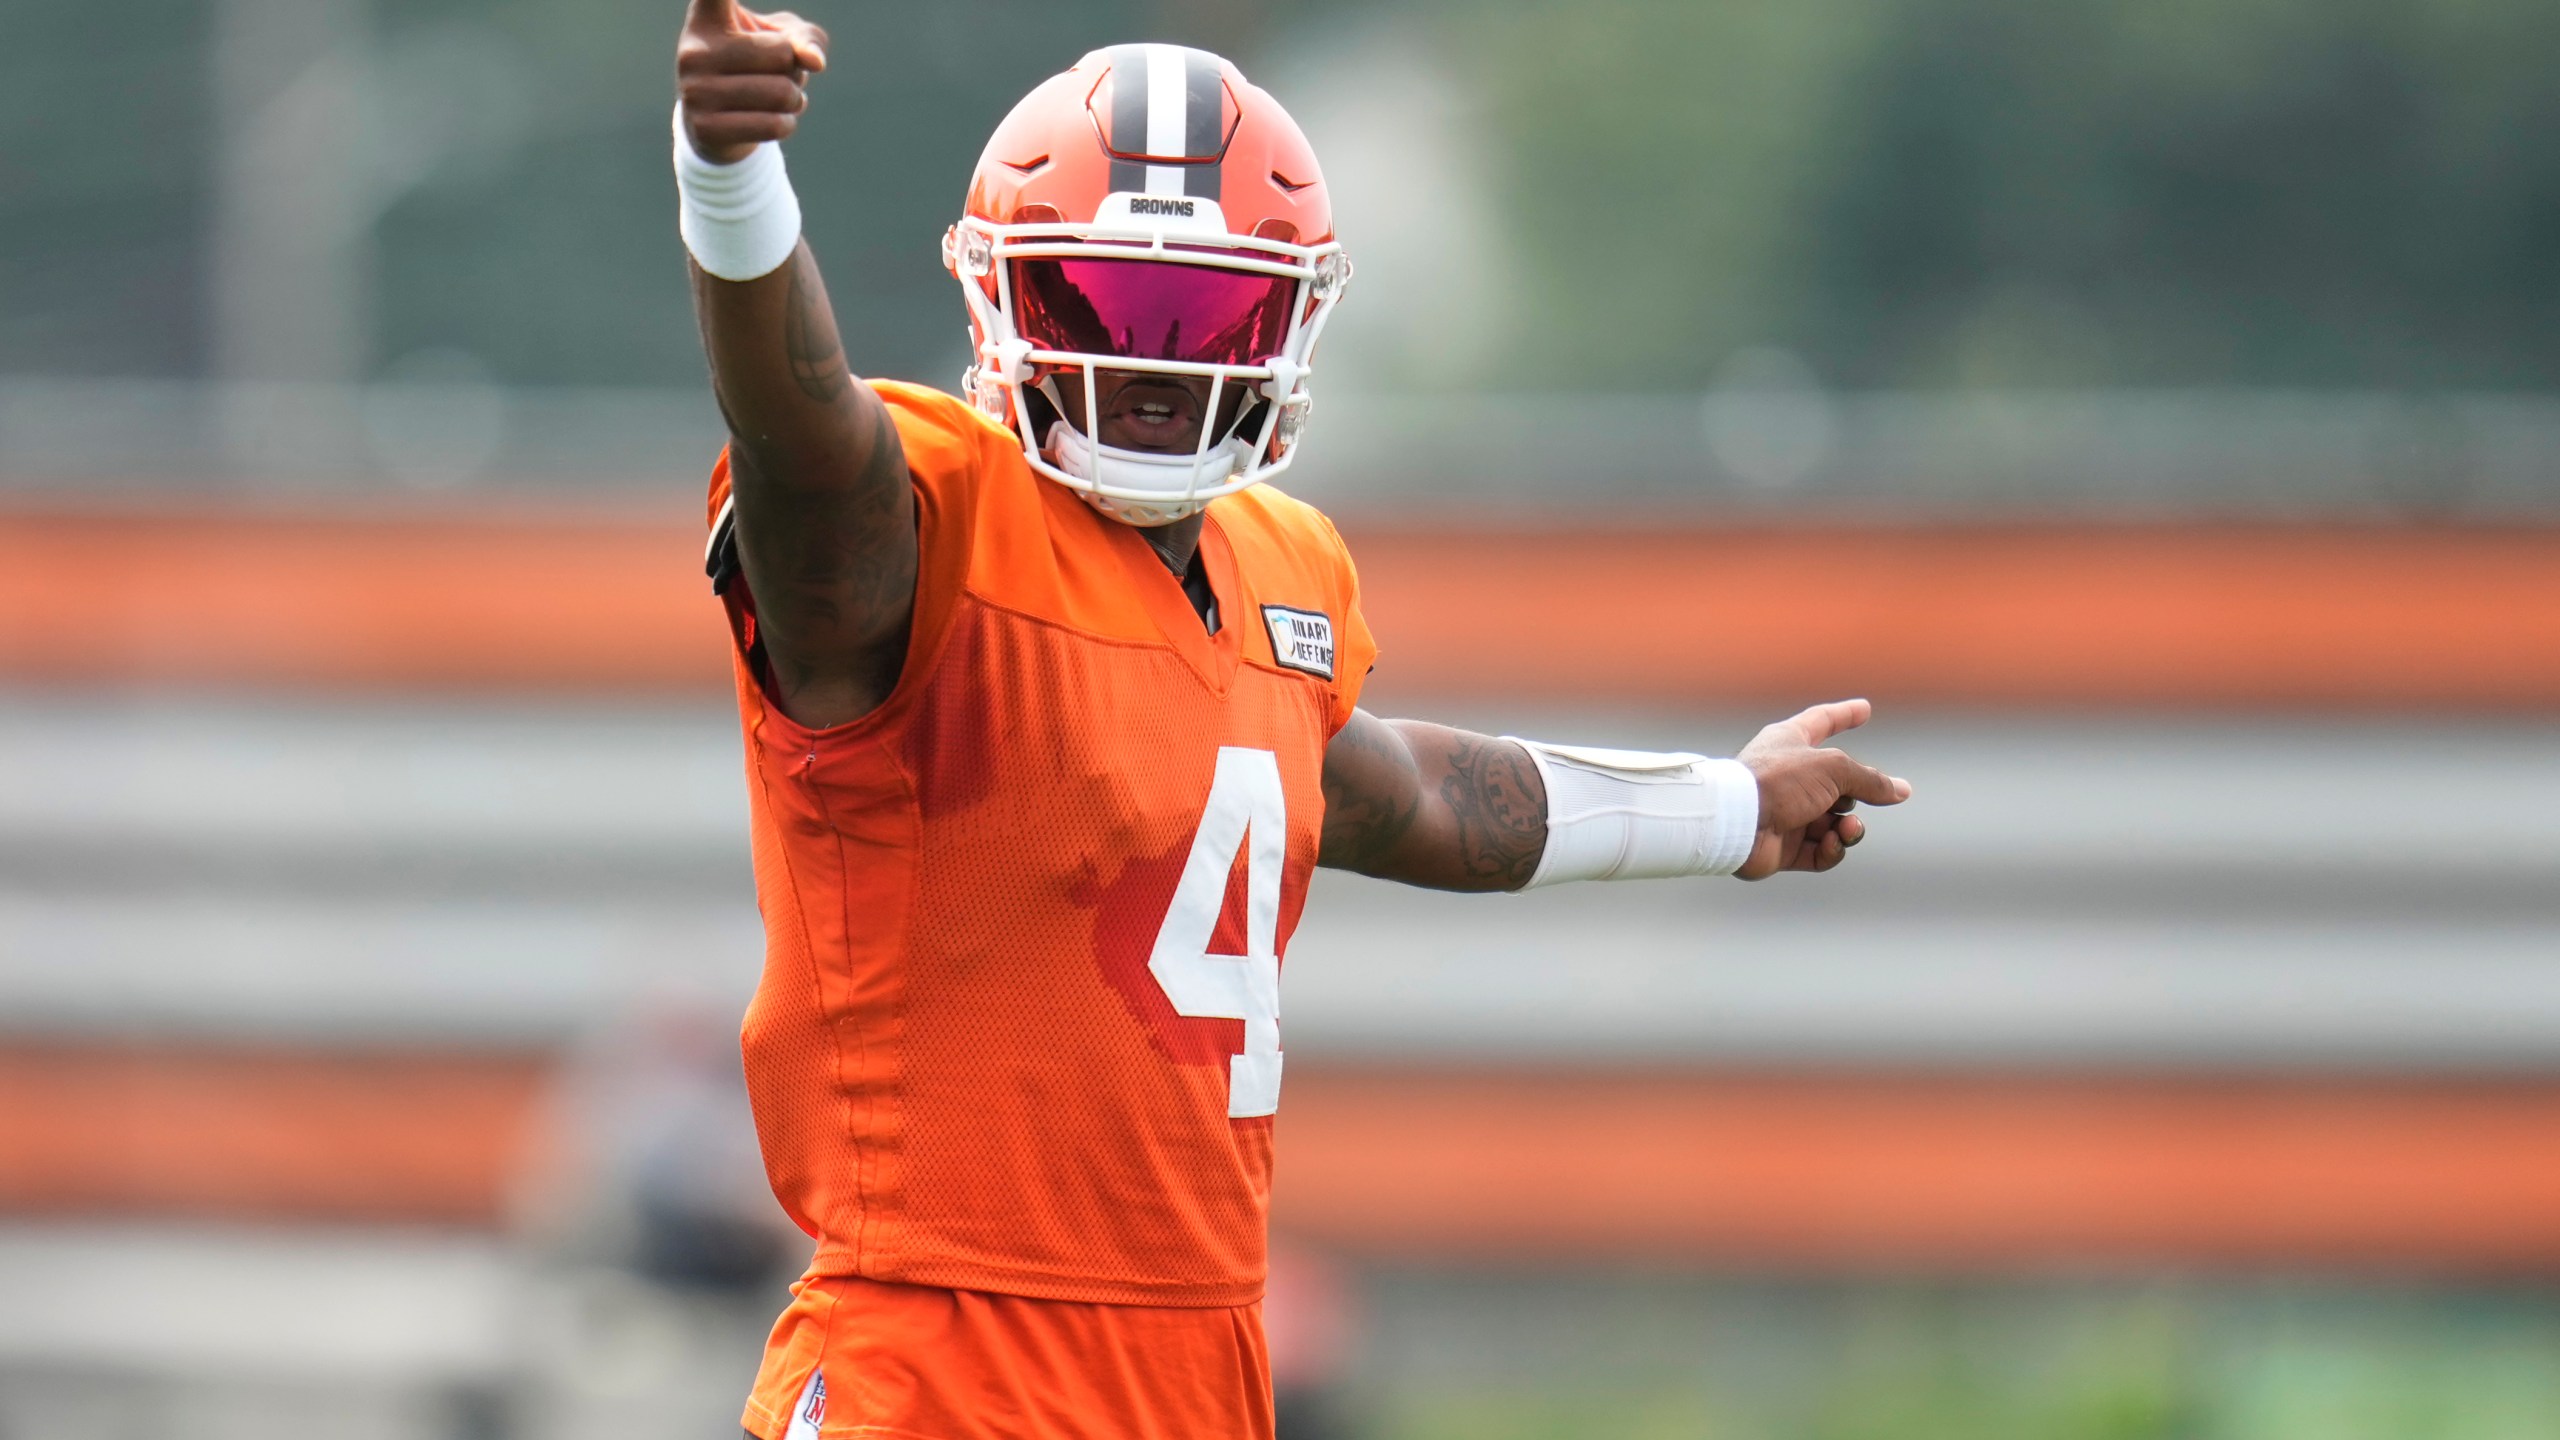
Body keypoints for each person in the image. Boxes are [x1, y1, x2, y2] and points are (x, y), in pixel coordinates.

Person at [671, 6, 1913, 1437]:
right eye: (1099, 303)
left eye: (1205, 315)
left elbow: (1410, 798)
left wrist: (1730, 806)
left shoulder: (1279, 573)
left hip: (1205, 1360)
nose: (1157, 362)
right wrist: (731, 179)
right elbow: (801, 435)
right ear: (1004, 301)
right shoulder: (927, 538)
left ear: (1289, 321)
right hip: (949, 1356)